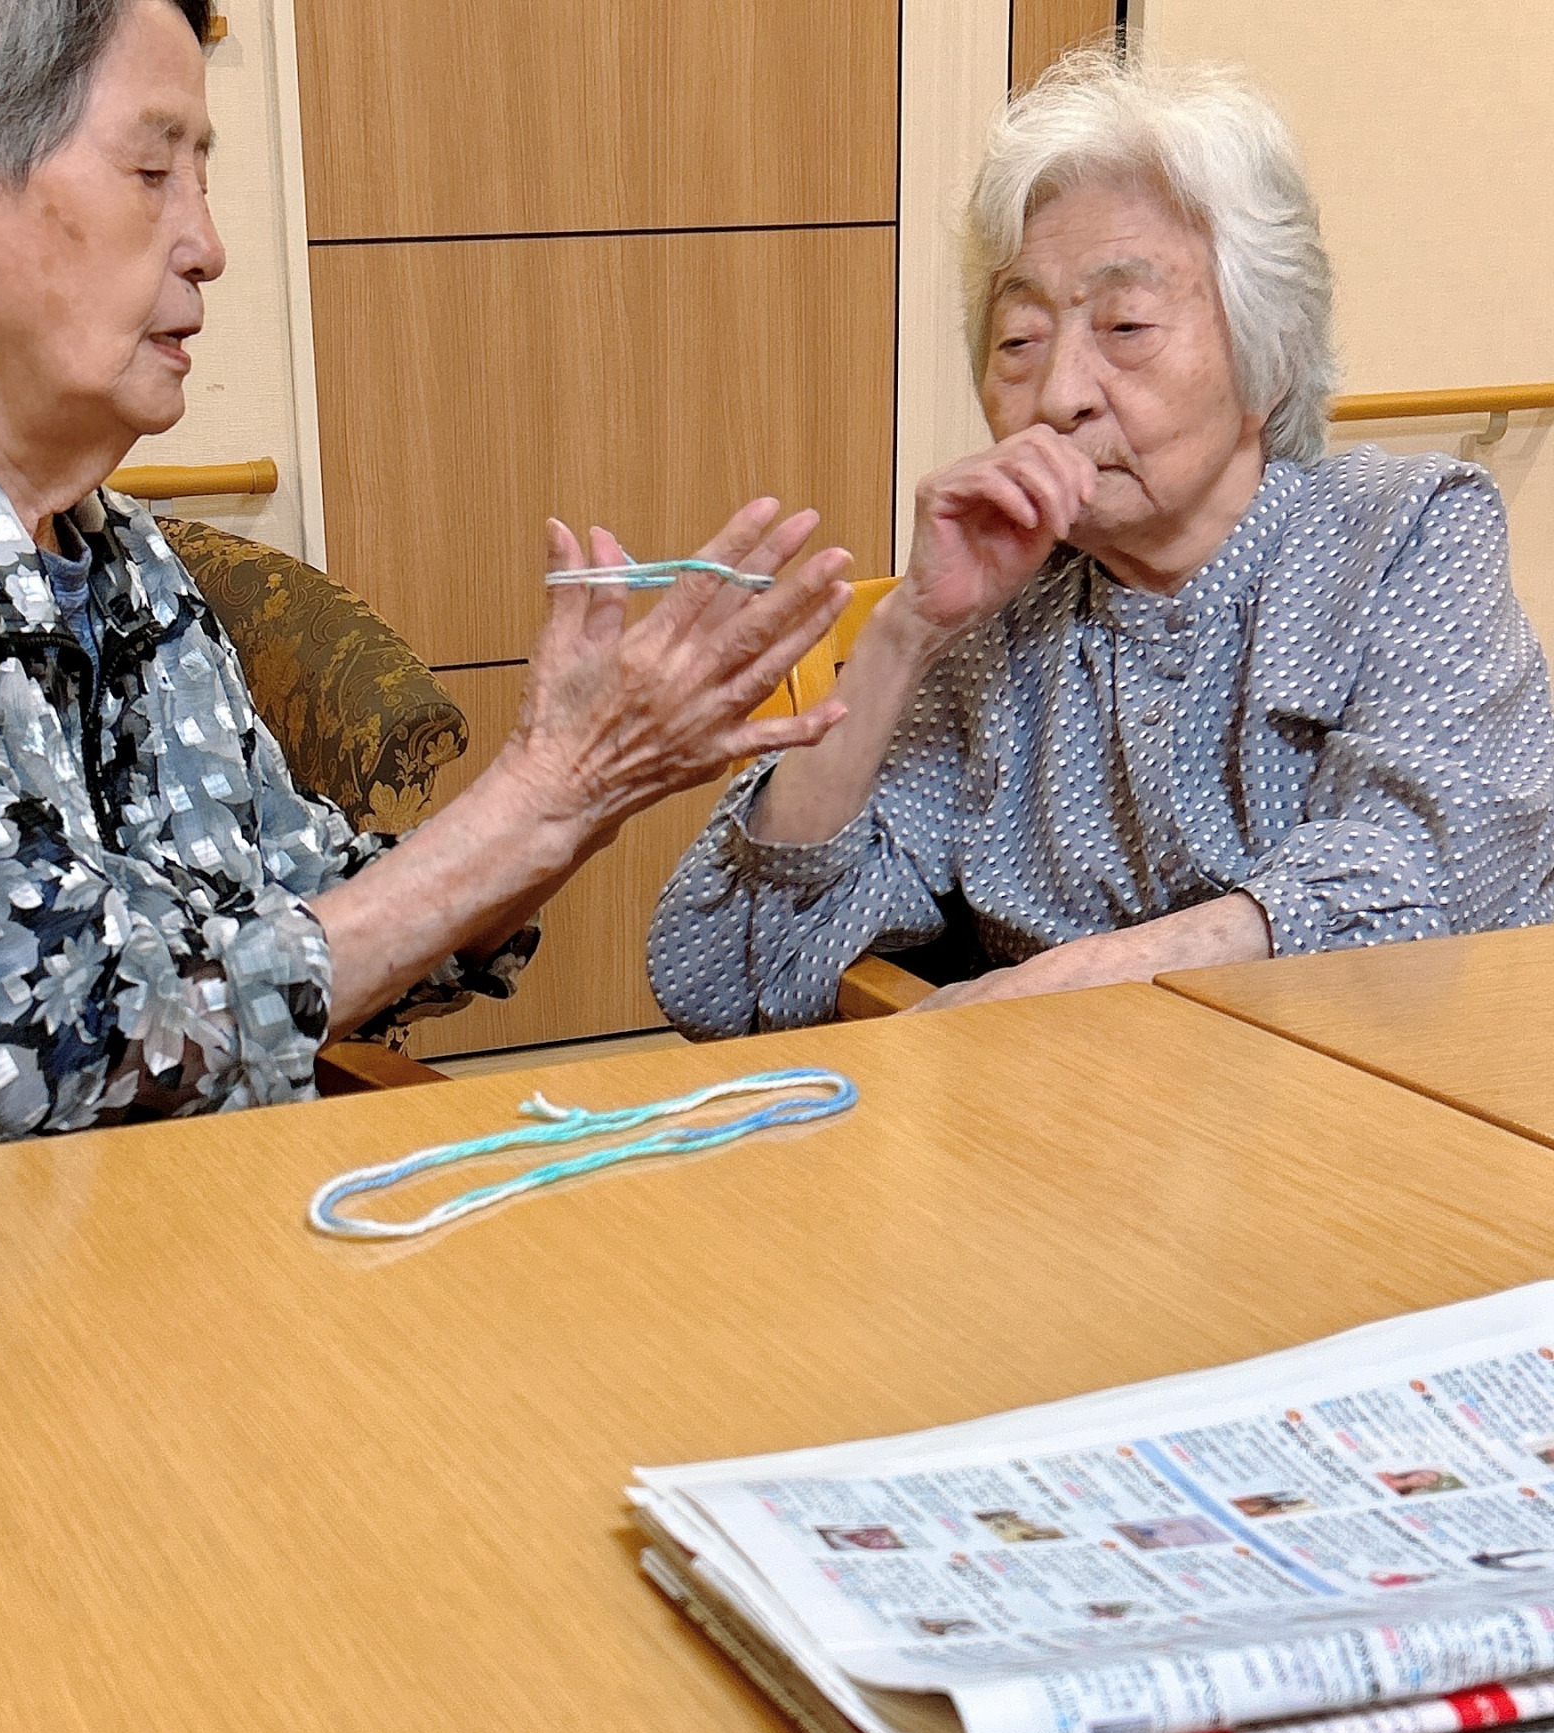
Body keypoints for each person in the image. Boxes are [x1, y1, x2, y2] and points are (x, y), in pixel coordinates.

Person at [0, 0, 850, 1186]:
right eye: (152, 171)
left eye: (202, 176)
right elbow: (69, 1056)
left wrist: (580, 795)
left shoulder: (117, 555)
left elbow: (304, 906)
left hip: (139, 1229)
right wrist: (539, 799)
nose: (207, 244)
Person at [647, 52, 1554, 1038]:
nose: (1060, 394)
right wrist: (907, 632)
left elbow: (1422, 880)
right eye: (1019, 340)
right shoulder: (999, 628)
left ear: (1270, 362)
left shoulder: (1405, 536)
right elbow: (725, 977)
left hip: (1379, 1101)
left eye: (1126, 325)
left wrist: (1054, 989)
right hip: (1070, 1116)